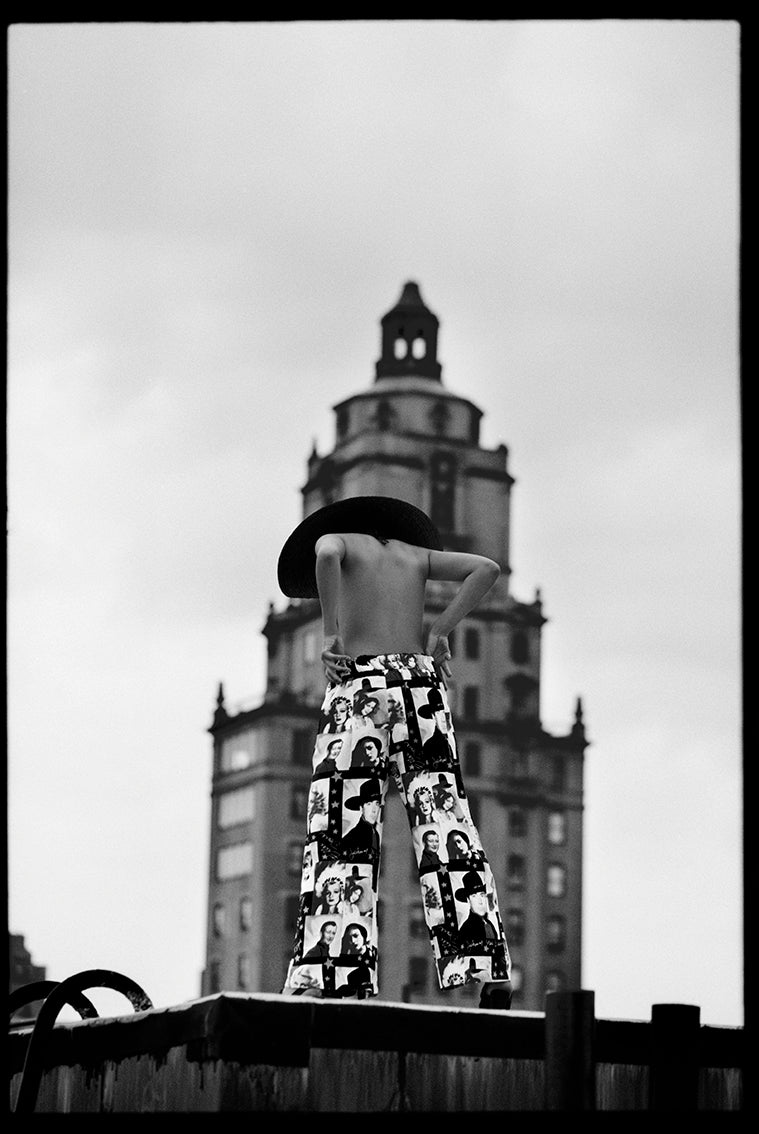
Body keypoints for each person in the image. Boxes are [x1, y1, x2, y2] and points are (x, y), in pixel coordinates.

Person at [277, 495, 512, 1007]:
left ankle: (337, 975)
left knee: (343, 830)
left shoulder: (341, 542)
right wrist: (441, 629)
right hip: (421, 686)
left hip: (359, 684)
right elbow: (486, 568)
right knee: (445, 820)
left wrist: (331, 633)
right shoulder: (415, 556)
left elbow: (323, 556)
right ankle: (484, 964)